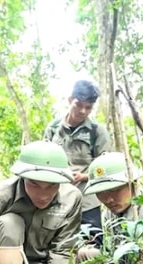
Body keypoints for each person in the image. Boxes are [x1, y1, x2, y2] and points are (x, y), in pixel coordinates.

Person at [43, 80, 111, 247]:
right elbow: (44, 161)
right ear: (69, 100)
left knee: (92, 246)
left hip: (87, 201)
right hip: (57, 198)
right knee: (56, 244)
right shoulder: (53, 129)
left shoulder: (97, 131)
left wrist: (85, 176)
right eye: (78, 105)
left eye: (88, 107)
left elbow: (106, 168)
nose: (82, 111)